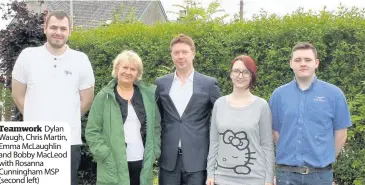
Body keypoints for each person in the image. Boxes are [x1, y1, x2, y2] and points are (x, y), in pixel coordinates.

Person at [11, 11, 95, 185]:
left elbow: (86, 100)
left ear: (70, 31)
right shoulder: (28, 56)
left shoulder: (81, 60)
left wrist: (66, 119)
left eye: (63, 28)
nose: (58, 32)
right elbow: (18, 95)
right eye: (54, 27)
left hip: (68, 141)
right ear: (45, 28)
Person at [269, 42, 352, 185]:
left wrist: (325, 158)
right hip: (287, 175)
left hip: (320, 176)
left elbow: (341, 133)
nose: (303, 64)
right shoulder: (278, 95)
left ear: (316, 63)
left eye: (307, 60)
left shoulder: (334, 94)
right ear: (291, 63)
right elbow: (275, 132)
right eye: (298, 60)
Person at [85, 50, 161, 185]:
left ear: (138, 73)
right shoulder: (104, 96)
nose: (128, 72)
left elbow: (156, 126)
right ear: (117, 68)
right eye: (125, 67)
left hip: (142, 161)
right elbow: (92, 131)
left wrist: (154, 150)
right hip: (113, 163)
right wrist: (105, 155)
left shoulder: (148, 96)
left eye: (133, 69)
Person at [156, 34, 222, 185]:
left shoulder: (208, 84)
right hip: (169, 160)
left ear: (193, 53)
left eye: (184, 52)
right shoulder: (161, 84)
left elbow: (221, 116)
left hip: (197, 160)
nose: (180, 56)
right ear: (171, 55)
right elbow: (157, 116)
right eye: (176, 52)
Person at [206, 55, 275, 185]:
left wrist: (269, 178)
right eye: (236, 71)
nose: (240, 75)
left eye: (245, 72)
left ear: (252, 76)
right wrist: (210, 173)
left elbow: (267, 146)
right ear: (231, 74)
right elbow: (214, 142)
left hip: (255, 178)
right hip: (222, 178)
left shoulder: (261, 105)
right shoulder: (219, 104)